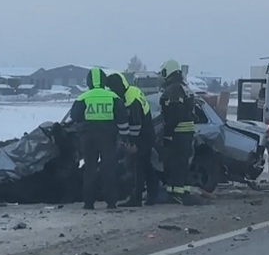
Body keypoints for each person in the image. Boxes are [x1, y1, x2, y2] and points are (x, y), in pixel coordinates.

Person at [70, 68, 130, 209]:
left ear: (89, 81)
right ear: (104, 81)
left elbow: (75, 117)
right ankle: (111, 202)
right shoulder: (113, 97)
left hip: (88, 138)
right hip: (108, 138)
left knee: (90, 168)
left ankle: (89, 203)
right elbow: (122, 119)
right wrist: (125, 137)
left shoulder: (83, 97)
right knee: (109, 168)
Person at [106, 72, 159, 207]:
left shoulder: (130, 99)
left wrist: (132, 143)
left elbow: (135, 123)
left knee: (137, 166)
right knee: (146, 165)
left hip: (142, 136)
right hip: (147, 133)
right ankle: (153, 195)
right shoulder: (133, 91)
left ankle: (136, 197)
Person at [159, 59, 196, 205]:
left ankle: (175, 194)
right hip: (187, 132)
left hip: (178, 133)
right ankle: (183, 192)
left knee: (175, 164)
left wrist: (167, 133)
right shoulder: (183, 87)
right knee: (183, 164)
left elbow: (174, 114)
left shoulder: (173, 90)